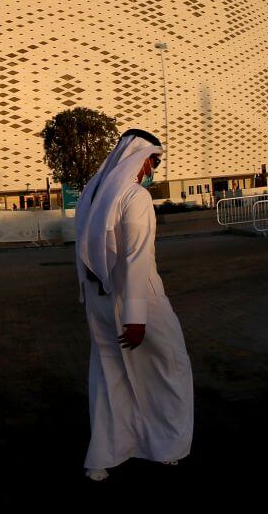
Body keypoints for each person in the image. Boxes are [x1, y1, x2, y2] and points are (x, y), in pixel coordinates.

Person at [75, 128, 193, 481]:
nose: (153, 170)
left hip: (97, 301)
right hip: (139, 302)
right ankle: (167, 447)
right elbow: (136, 258)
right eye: (153, 161)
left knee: (110, 377)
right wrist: (136, 318)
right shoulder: (134, 197)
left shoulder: (91, 195)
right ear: (140, 158)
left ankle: (104, 457)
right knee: (170, 369)